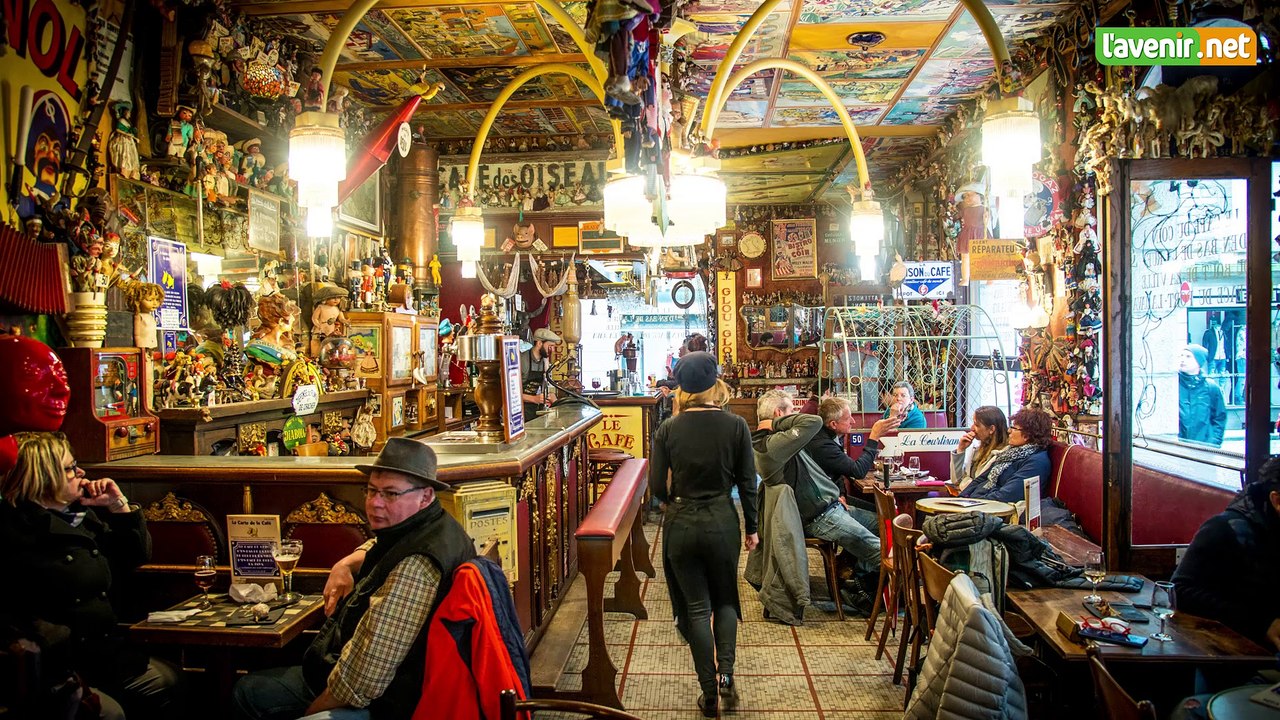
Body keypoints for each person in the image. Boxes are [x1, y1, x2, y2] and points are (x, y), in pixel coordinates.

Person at [232, 438, 477, 720]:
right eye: (371, 490)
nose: (375, 503)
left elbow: (362, 681)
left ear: (425, 496)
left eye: (390, 494)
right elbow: (384, 544)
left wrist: (311, 714)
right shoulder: (432, 526)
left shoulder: (416, 566)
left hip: (384, 704)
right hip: (370, 681)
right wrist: (347, 562)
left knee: (247, 692)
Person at [0, 432, 184, 720]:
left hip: (103, 652)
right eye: (70, 468)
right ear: (43, 477)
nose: (81, 473)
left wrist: (118, 506)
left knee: (172, 679)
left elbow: (134, 555)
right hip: (58, 664)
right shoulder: (17, 531)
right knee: (113, 713)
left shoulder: (79, 513)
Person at [649, 351, 758, 718]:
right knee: (726, 599)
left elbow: (656, 487)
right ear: (715, 385)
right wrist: (752, 527)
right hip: (722, 520)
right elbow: (748, 483)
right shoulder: (736, 426)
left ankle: (709, 691)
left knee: (696, 608)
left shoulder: (668, 429)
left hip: (682, 521)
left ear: (681, 388)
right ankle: (726, 675)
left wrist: (671, 502)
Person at [1168, 458, 1280, 720]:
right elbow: (1180, 590)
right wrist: (1262, 623)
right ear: (1277, 500)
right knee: (1190, 713)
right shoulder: (1226, 529)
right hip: (1239, 663)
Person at [752, 390, 880, 609]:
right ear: (779, 414)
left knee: (881, 525)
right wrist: (775, 423)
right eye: (791, 410)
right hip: (819, 517)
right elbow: (813, 421)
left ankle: (861, 584)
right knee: (884, 550)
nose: (795, 414)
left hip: (827, 507)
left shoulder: (776, 441)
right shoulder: (773, 445)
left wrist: (837, 494)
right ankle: (880, 595)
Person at [958, 407, 1053, 503]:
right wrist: (961, 499)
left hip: (992, 507)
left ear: (1027, 435)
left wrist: (973, 502)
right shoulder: (1010, 453)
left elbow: (1007, 495)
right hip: (980, 502)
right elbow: (980, 479)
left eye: (1014, 428)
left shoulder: (1036, 462)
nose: (1009, 431)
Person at [950, 406, 1010, 492]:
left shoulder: (1003, 454)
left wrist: (965, 482)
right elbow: (956, 480)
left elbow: (977, 487)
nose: (972, 428)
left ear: (991, 429)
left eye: (976, 425)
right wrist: (960, 450)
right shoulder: (975, 447)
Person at [1178, 344, 1227, 447]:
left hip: (1203, 447)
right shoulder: (1174, 385)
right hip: (1177, 446)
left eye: (1188, 356)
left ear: (1199, 361)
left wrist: (1213, 442)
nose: (1182, 359)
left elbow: (1219, 417)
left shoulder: (1211, 387)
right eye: (1181, 355)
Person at [520, 327, 561, 418]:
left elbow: (546, 384)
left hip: (534, 409)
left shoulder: (544, 361)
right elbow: (509, 393)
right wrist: (534, 399)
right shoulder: (522, 360)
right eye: (550, 346)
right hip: (519, 411)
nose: (552, 350)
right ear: (539, 343)